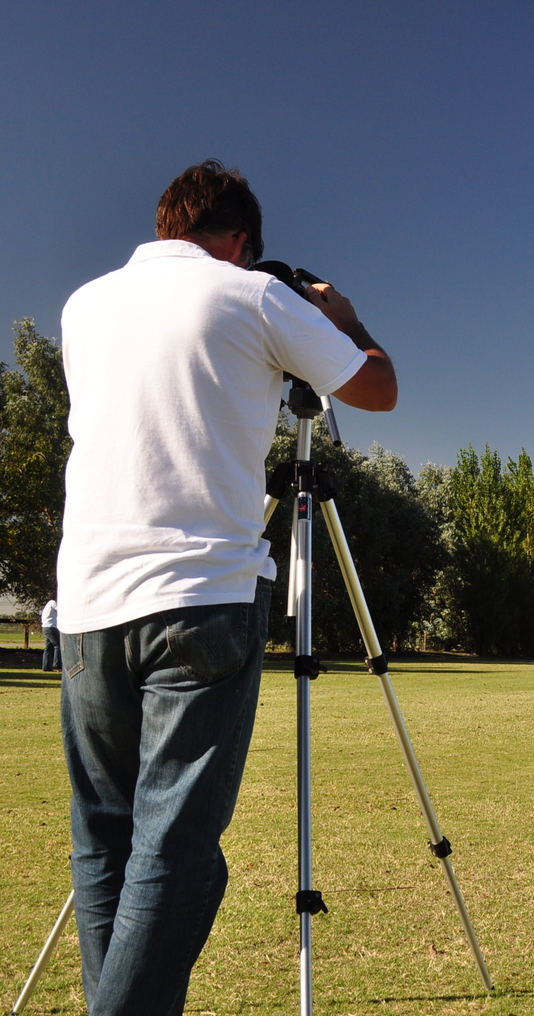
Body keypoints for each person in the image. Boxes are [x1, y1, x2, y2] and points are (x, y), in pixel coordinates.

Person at [54, 160, 397, 1015]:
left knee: (105, 843)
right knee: (177, 854)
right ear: (241, 241)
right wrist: (346, 321)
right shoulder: (253, 297)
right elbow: (378, 391)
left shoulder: (84, 306)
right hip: (200, 595)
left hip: (87, 604)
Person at [39, 597, 59, 671]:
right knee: (58, 646)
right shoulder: (53, 603)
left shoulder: (47, 605)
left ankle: (46, 667)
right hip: (51, 627)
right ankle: (57, 665)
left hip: (45, 627)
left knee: (48, 648)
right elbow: (60, 610)